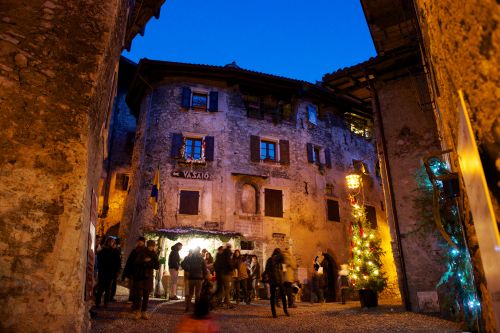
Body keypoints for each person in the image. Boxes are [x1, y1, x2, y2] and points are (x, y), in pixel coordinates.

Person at [130, 239, 160, 320]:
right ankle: (137, 311)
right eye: (150, 246)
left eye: (153, 246)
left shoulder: (154, 254)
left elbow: (157, 266)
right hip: (140, 277)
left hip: (148, 277)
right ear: (148, 245)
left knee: (146, 295)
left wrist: (151, 261)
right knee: (138, 295)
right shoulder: (142, 252)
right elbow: (136, 263)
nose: (152, 247)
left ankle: (144, 311)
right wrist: (144, 261)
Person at [95, 237, 121, 308]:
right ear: (107, 242)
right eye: (110, 241)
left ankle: (106, 303)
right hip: (103, 272)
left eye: (112, 242)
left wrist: (117, 271)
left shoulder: (115, 251)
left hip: (111, 273)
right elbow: (99, 261)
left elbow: (118, 262)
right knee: (101, 288)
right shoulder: (103, 250)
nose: (111, 243)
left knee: (108, 288)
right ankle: (98, 302)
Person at [262, 248, 289, 318]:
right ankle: (284, 311)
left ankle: (274, 312)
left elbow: (267, 270)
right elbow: (283, 269)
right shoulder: (274, 260)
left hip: (274, 280)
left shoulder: (271, 260)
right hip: (277, 280)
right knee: (282, 295)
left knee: (273, 296)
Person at [183, 247, 208, 312]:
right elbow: (204, 269)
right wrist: (205, 277)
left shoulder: (190, 258)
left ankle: (187, 307)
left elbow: (184, 264)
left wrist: (188, 271)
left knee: (190, 293)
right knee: (197, 294)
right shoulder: (201, 259)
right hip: (199, 278)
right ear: (199, 251)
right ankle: (196, 308)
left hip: (191, 278)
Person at [122, 236, 146, 302]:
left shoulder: (145, 251)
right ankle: (132, 298)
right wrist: (127, 271)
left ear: (143, 242)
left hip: (140, 272)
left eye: (141, 241)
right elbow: (129, 261)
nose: (139, 242)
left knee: (138, 286)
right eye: (138, 241)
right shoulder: (135, 250)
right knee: (132, 286)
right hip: (133, 271)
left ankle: (137, 299)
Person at [214, 244, 234, 309]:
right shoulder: (227, 254)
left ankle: (219, 302)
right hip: (225, 273)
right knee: (227, 288)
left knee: (221, 288)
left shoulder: (219, 256)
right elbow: (229, 263)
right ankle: (227, 303)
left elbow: (215, 264)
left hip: (219, 274)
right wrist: (232, 269)